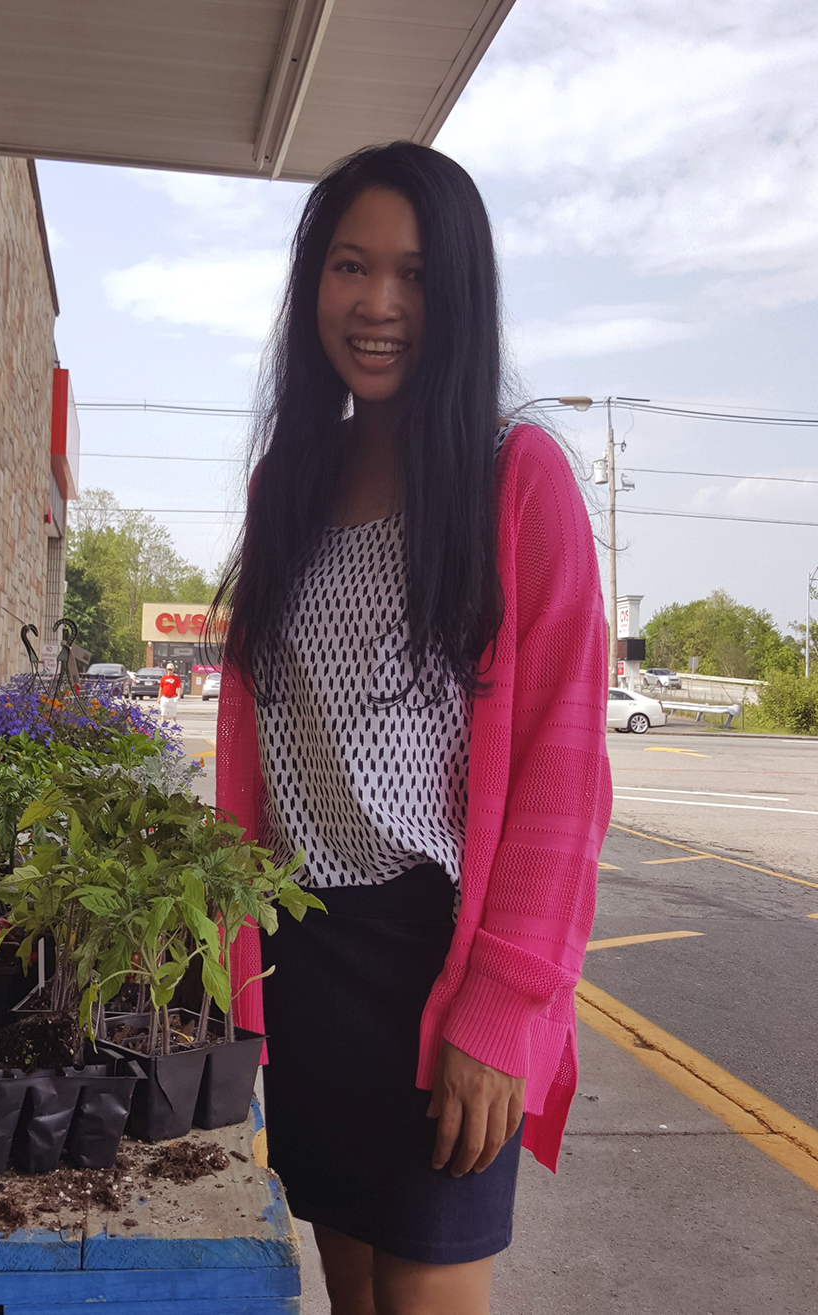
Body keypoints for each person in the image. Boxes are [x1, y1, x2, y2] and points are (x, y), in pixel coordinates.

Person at [211, 142, 612, 1315]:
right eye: (349, 266)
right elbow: (254, 752)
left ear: (460, 296)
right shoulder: (289, 478)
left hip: (440, 955)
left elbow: (560, 769)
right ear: (313, 286)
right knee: (350, 1287)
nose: (377, 303)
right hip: (303, 949)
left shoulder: (515, 477)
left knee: (431, 1285)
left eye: (414, 274)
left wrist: (502, 1008)